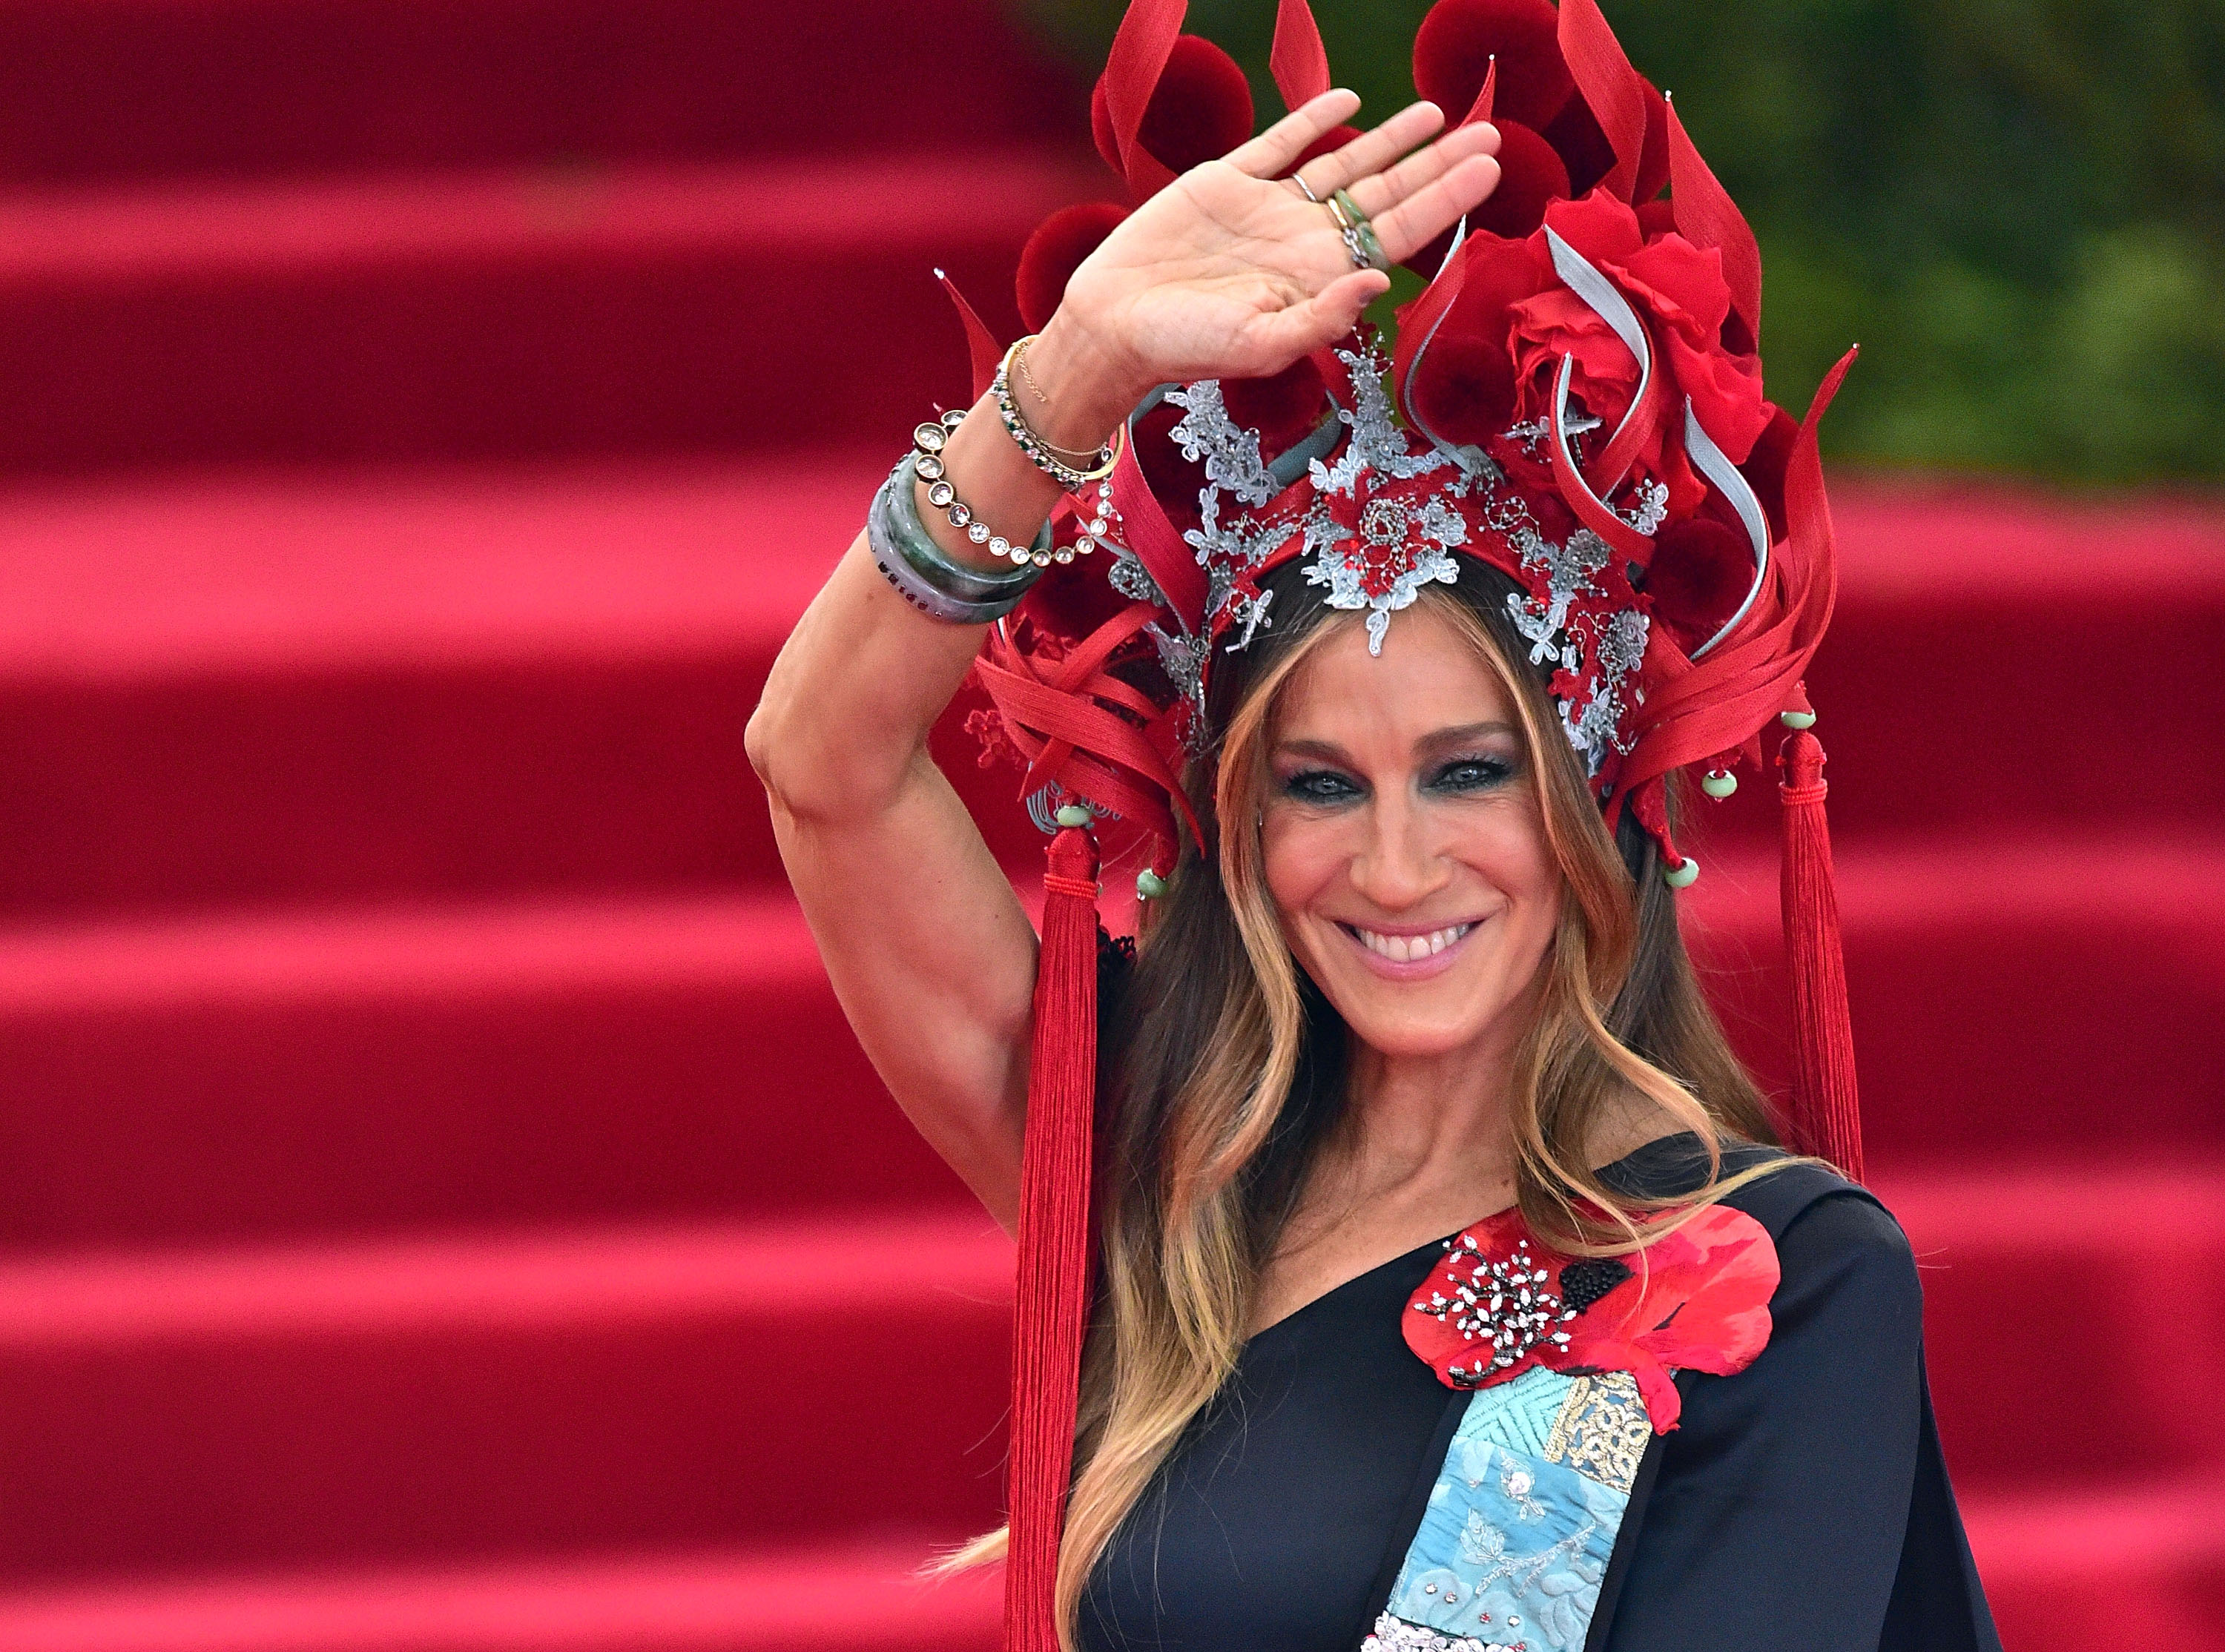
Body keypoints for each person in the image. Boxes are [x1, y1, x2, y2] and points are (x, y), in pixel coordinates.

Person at [746, 1, 2001, 1647]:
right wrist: (1068, 383)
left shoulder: (1783, 1273)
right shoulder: (1167, 1173)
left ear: (1583, 804)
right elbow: (820, 763)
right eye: (1318, 784)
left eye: (1470, 773)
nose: (1397, 865)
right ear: (1238, 824)